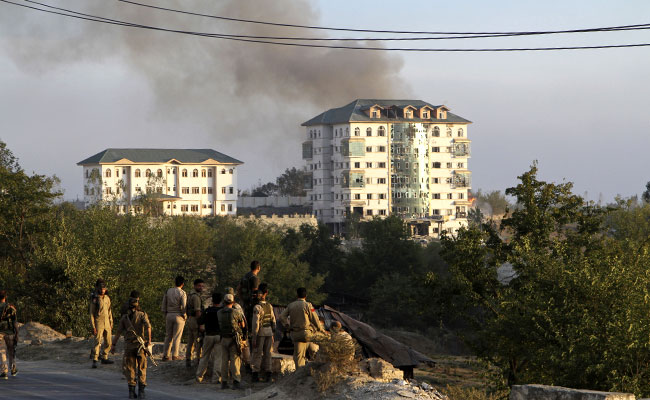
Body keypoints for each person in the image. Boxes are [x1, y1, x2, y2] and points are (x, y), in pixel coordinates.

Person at [112, 297, 152, 399]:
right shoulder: (142, 314)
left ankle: (131, 390)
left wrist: (113, 345)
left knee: (130, 368)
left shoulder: (125, 318)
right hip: (140, 346)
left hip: (129, 345)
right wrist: (149, 341)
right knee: (142, 367)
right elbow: (148, 327)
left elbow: (118, 332)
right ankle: (141, 391)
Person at [279, 287, 325, 368]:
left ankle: (299, 373)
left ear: (297, 295)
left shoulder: (291, 305)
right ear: (306, 295)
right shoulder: (308, 305)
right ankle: (317, 364)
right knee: (322, 341)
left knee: (298, 356)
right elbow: (315, 319)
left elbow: (282, 316)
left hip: (295, 335)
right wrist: (321, 330)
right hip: (307, 334)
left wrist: (287, 325)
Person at [218, 293, 245, 390]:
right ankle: (236, 381)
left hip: (223, 338)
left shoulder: (219, 312)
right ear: (233, 302)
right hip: (234, 339)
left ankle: (224, 382)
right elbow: (242, 325)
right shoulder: (236, 312)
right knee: (235, 361)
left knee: (224, 361)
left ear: (224, 302)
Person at [250, 283, 275, 382]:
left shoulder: (257, 307)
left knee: (257, 353)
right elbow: (273, 321)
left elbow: (256, 323)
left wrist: (254, 337)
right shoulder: (269, 306)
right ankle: (268, 374)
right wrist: (273, 333)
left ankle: (255, 374)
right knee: (268, 354)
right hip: (269, 332)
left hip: (260, 333)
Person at [195, 292, 222, 384]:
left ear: (212, 300)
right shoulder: (222, 311)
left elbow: (199, 321)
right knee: (218, 358)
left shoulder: (207, 311)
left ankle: (199, 376)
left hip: (208, 335)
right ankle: (216, 378)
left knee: (205, 356)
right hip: (219, 336)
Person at [161, 275, 187, 361]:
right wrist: (185, 316)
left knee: (168, 336)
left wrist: (165, 313)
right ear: (182, 284)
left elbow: (164, 304)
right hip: (179, 316)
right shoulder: (182, 293)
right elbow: (183, 306)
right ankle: (175, 355)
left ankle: (165, 355)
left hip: (169, 315)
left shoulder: (168, 291)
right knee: (177, 337)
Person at [89, 279, 114, 368]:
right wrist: (93, 326)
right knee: (97, 341)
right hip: (98, 321)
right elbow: (91, 313)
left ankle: (105, 356)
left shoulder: (107, 298)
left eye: (104, 288)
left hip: (107, 321)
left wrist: (111, 322)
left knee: (108, 341)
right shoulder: (95, 299)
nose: (103, 290)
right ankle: (95, 359)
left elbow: (109, 310)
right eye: (101, 288)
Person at [186, 279, 205, 368]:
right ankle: (198, 360)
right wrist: (201, 323)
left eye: (202, 286)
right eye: (199, 286)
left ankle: (188, 359)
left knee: (190, 342)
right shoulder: (196, 297)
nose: (201, 287)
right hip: (195, 320)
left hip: (190, 319)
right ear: (195, 286)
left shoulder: (190, 294)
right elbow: (198, 311)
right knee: (198, 341)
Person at [0, 290, 18, 379]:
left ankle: (4, 371)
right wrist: (17, 333)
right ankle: (13, 368)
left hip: (0, 333)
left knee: (2, 352)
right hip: (10, 332)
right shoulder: (11, 307)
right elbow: (15, 321)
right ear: (5, 297)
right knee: (11, 351)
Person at [237, 261, 261, 325]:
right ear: (258, 268)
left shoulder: (245, 276)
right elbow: (255, 293)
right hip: (251, 304)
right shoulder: (254, 278)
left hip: (245, 303)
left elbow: (238, 288)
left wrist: (241, 299)